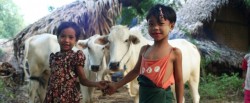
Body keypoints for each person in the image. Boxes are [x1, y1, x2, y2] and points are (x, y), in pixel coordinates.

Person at [104, 4, 184, 103]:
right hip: (144, 99)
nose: (155, 27)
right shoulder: (144, 50)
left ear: (171, 26)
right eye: (151, 24)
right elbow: (135, 71)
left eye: (161, 24)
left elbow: (179, 81)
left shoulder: (175, 53)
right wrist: (116, 85)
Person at [44, 21, 108, 103]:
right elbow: (53, 78)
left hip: (68, 97)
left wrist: (97, 84)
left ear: (76, 40)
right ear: (58, 37)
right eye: (63, 36)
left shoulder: (76, 56)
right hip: (52, 96)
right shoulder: (53, 57)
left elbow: (83, 80)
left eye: (71, 37)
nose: (66, 40)